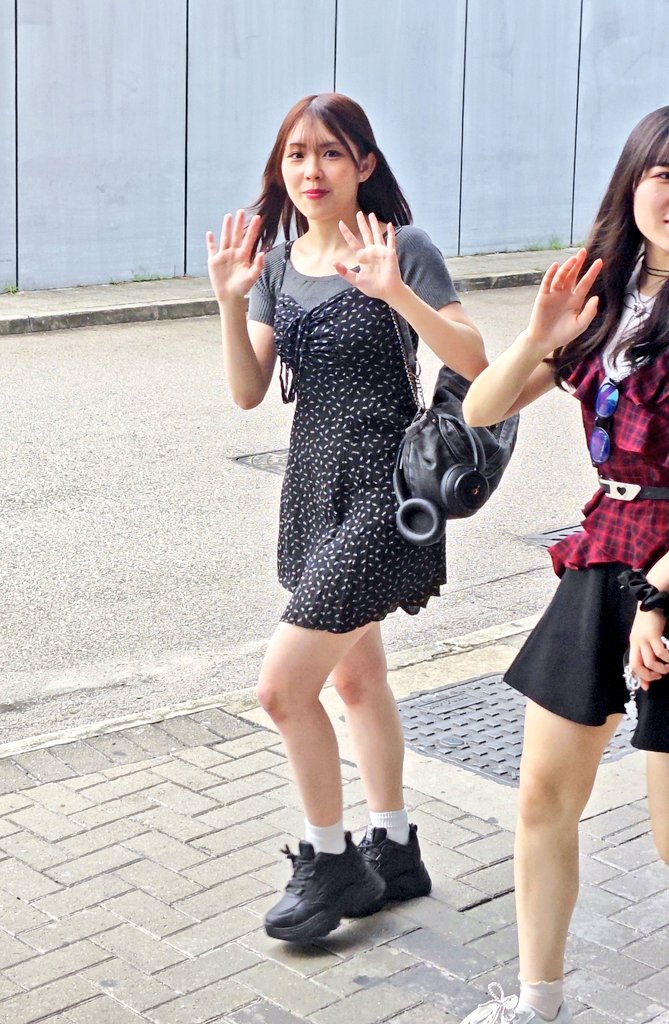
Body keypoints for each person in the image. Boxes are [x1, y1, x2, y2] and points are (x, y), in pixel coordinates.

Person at [206, 92, 487, 943]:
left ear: (363, 164)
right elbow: (248, 392)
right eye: (296, 154)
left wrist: (395, 291)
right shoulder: (278, 264)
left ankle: (330, 860)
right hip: (311, 491)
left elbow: (476, 363)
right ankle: (393, 849)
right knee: (356, 681)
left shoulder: (403, 247)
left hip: (385, 494)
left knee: (281, 688)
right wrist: (229, 301)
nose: (311, 170)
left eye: (330, 153)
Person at [459, 106, 669, 1023]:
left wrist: (659, 597)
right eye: (664, 174)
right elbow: (480, 410)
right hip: (605, 548)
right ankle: (536, 1003)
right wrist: (537, 333)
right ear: (633, 182)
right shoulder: (600, 296)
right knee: (543, 792)